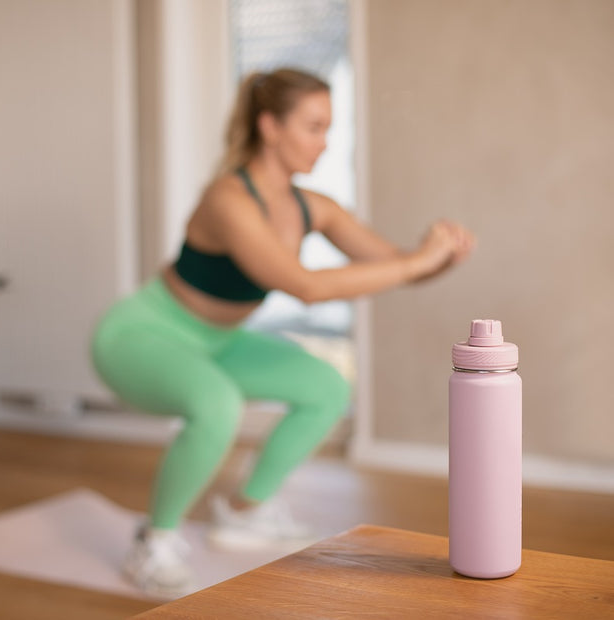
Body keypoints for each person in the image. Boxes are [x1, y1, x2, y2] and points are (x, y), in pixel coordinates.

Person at [90, 68, 474, 597]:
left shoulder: (311, 206)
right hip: (140, 337)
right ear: (271, 127)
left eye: (328, 128)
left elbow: (397, 263)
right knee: (217, 405)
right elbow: (305, 287)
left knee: (326, 387)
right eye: (314, 127)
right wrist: (416, 264)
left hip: (217, 343)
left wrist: (439, 255)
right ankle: (152, 540)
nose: (324, 142)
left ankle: (246, 511)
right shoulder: (229, 200)